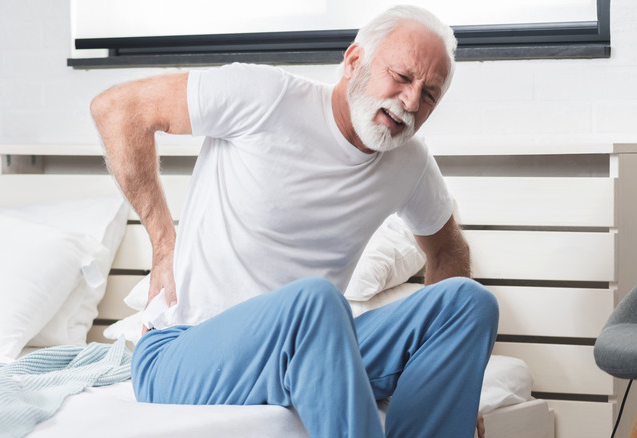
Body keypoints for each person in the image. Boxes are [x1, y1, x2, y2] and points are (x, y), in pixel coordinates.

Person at [91, 5, 498, 438]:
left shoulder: (409, 162)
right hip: (182, 351)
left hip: (313, 349)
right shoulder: (263, 96)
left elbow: (448, 249)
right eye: (400, 77)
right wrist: (162, 240)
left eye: (430, 94)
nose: (412, 102)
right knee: (316, 303)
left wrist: (444, 379)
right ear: (354, 61)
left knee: (469, 303)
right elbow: (117, 108)